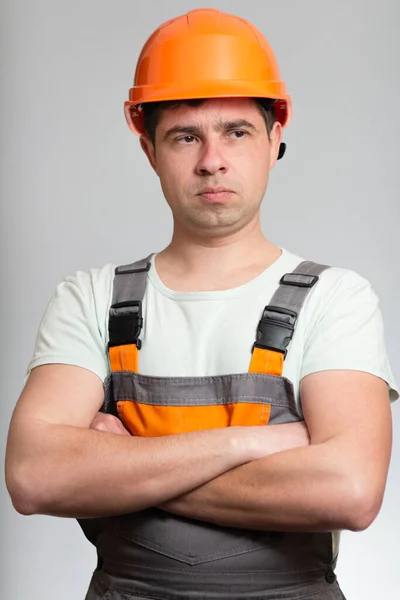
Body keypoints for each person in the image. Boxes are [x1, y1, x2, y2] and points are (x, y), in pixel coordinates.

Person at [5, 8, 398, 600]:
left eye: (236, 131)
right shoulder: (90, 298)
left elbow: (349, 491)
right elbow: (35, 477)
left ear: (275, 138)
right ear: (149, 150)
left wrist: (122, 463)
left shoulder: (337, 298)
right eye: (185, 136)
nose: (211, 159)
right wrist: (251, 443)